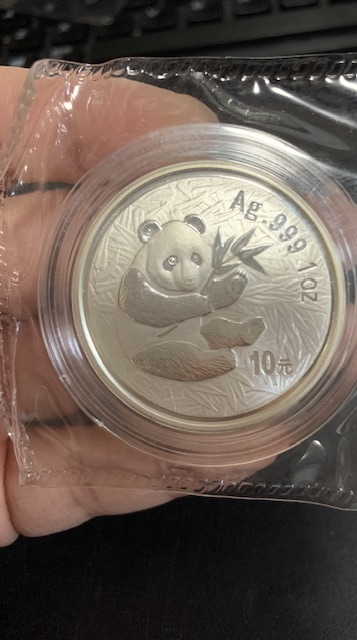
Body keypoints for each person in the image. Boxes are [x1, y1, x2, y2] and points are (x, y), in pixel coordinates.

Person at [0, 64, 237, 546]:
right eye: (172, 262)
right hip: (149, 354)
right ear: (146, 243)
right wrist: (198, 303)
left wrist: (207, 303)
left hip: (180, 345)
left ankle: (225, 338)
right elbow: (153, 316)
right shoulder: (131, 288)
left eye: (196, 259)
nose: (187, 271)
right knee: (180, 347)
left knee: (214, 331)